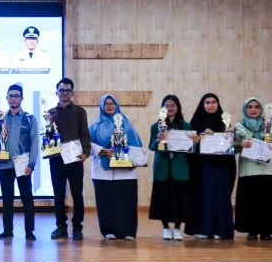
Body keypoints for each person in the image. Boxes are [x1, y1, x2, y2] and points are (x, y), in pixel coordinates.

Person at [89, 93, 141, 240]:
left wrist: (134, 161)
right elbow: (86, 144)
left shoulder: (127, 124)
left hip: (125, 171)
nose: (110, 106)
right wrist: (102, 150)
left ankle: (128, 231)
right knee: (106, 202)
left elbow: (136, 144)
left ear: (117, 105)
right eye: (106, 104)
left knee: (126, 202)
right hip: (102, 171)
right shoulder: (95, 126)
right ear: (102, 106)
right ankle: (108, 231)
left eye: (112, 103)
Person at [233, 97, 272, 241]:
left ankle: (266, 231)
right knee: (250, 202)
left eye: (257, 106)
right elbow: (232, 148)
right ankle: (252, 230)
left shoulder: (271, 124)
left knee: (268, 202)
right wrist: (240, 144)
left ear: (261, 109)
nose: (253, 109)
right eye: (249, 107)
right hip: (248, 170)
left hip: (267, 170)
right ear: (245, 109)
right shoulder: (239, 126)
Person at [185, 93, 236, 240]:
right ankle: (202, 229)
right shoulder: (195, 123)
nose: (211, 105)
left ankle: (220, 230)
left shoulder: (225, 123)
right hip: (201, 167)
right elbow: (188, 147)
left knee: (220, 197)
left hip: (221, 167)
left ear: (218, 104)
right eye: (207, 102)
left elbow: (231, 146)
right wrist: (201, 136)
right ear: (203, 105)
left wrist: (219, 136)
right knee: (203, 197)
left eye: (214, 102)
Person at [46, 77, 90, 240]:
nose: (64, 93)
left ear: (72, 93)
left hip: (75, 158)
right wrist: (47, 148)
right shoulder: (50, 113)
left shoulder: (80, 112)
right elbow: (48, 136)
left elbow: (84, 134)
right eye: (61, 90)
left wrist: (85, 153)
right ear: (56, 92)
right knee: (58, 195)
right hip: (56, 159)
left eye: (68, 90)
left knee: (77, 194)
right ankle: (61, 227)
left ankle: (77, 227)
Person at [148, 94, 193, 240]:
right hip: (162, 167)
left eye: (173, 105)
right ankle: (166, 228)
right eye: (167, 105)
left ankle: (178, 228)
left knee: (180, 198)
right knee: (163, 198)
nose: (170, 108)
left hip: (180, 168)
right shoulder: (156, 126)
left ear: (178, 107)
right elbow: (151, 146)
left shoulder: (186, 126)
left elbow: (190, 148)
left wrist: (193, 142)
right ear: (163, 108)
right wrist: (158, 139)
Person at [0, 83, 39, 240]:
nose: (13, 98)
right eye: (11, 96)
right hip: (5, 164)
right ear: (7, 98)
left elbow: (34, 142)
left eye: (16, 96)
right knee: (7, 199)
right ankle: (8, 230)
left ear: (22, 98)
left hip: (23, 164)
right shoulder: (0, 118)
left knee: (27, 199)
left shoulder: (29, 118)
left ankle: (29, 231)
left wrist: (31, 164)